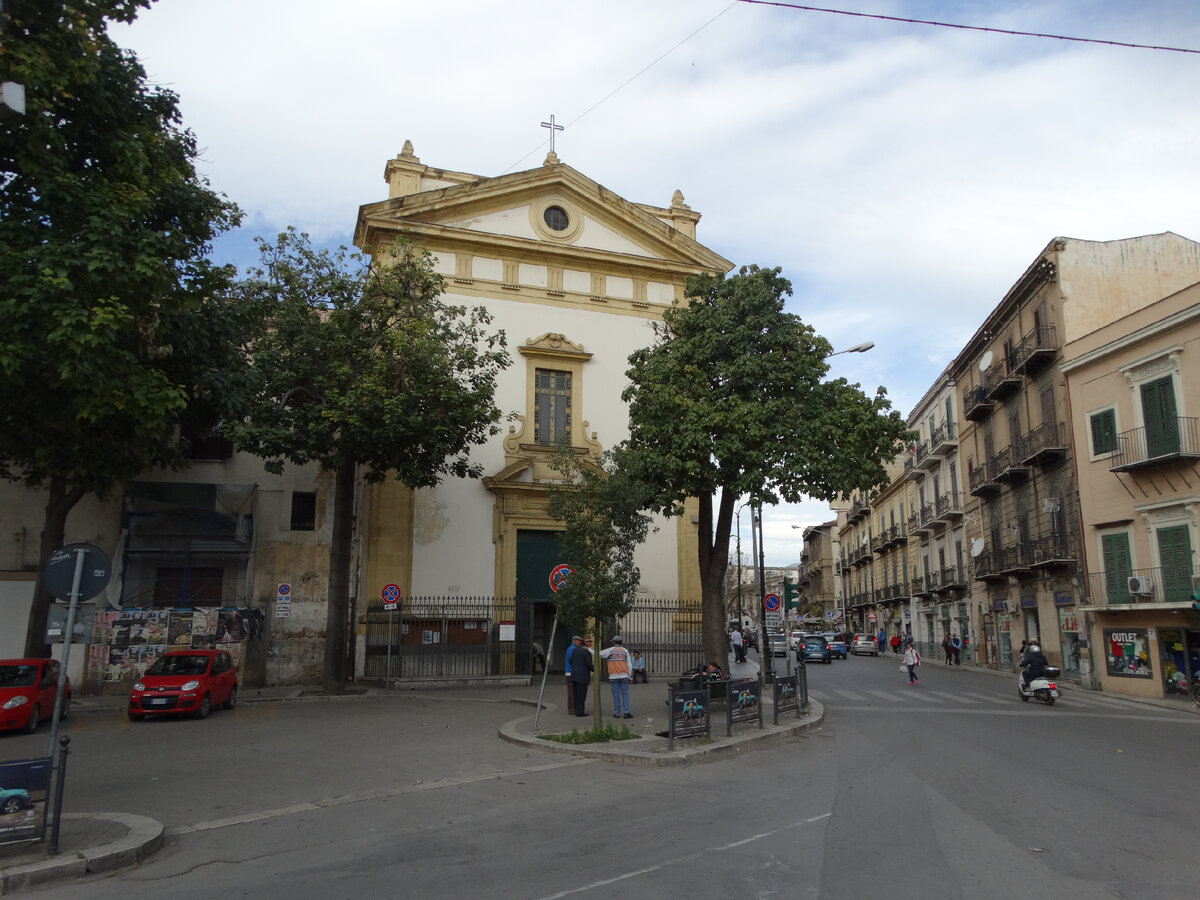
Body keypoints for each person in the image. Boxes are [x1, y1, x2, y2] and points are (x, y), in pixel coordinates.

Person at [600, 635, 634, 719]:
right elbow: (629, 665)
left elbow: (599, 653)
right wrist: (630, 677)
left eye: (612, 641)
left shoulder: (610, 650)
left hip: (613, 677)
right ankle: (626, 712)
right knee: (625, 694)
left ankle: (616, 713)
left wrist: (589, 649)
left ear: (614, 642)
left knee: (616, 695)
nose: (612, 642)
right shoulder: (625, 651)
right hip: (624, 676)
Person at [569, 635, 594, 717]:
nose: (591, 643)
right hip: (583, 676)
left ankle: (576, 710)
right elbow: (589, 664)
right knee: (582, 694)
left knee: (575, 694)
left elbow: (570, 661)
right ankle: (580, 712)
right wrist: (593, 669)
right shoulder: (586, 651)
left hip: (574, 675)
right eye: (590, 641)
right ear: (585, 642)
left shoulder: (575, 649)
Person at [564, 635, 583, 715]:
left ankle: (570, 709)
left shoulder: (569, 648)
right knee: (574, 691)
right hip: (572, 672)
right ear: (575, 641)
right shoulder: (574, 649)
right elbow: (574, 661)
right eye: (579, 641)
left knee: (570, 691)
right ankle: (575, 709)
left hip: (567, 672)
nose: (580, 643)